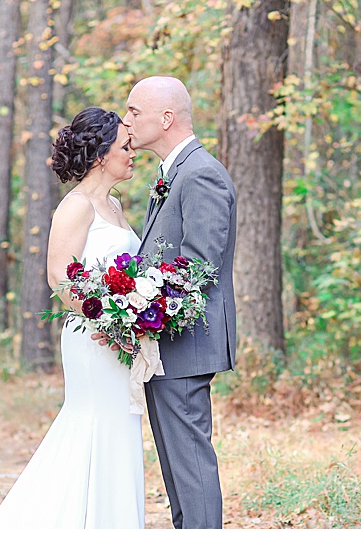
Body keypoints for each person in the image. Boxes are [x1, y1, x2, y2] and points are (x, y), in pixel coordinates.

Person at [0, 107, 145, 529]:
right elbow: (60, 276)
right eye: (125, 147)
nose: (133, 154)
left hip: (121, 339)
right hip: (95, 340)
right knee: (92, 423)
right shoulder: (76, 207)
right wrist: (111, 320)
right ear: (99, 156)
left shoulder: (113, 203)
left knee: (119, 428)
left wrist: (137, 315)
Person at [99, 76, 237, 529]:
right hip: (166, 342)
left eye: (134, 111)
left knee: (190, 463)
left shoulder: (201, 174)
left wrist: (142, 311)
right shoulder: (173, 174)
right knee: (177, 466)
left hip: (185, 343)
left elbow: (199, 266)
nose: (127, 120)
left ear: (166, 118)